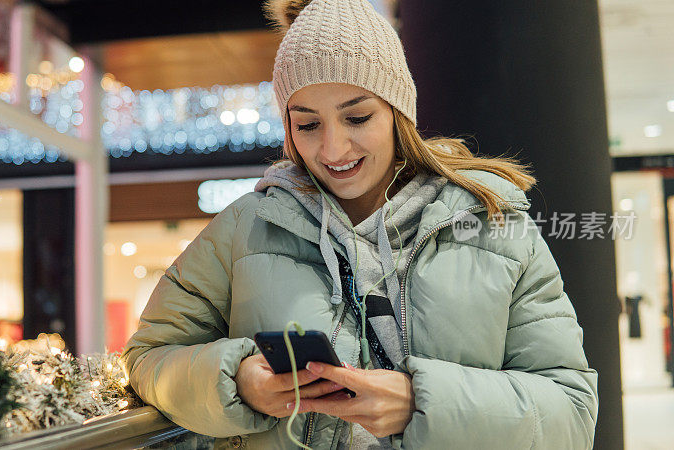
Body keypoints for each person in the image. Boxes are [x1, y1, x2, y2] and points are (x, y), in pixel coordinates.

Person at [120, 0, 599, 448]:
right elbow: (148, 360)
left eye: (357, 117)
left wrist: (422, 404)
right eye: (308, 124)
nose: (333, 149)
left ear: (398, 112)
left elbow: (573, 413)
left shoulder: (491, 222)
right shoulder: (245, 228)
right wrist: (234, 380)